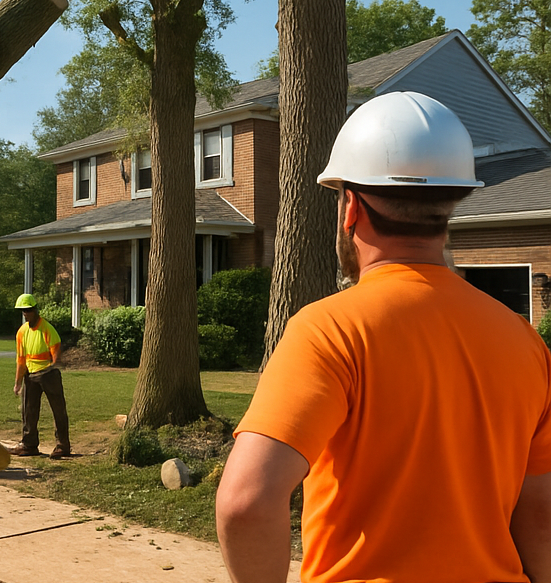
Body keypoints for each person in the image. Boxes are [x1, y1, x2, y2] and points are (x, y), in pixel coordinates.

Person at [215, 91, 551, 582]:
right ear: (450, 205)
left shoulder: (330, 331)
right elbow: (540, 512)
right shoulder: (524, 341)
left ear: (350, 206)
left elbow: (246, 502)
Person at [9, 293, 70, 460]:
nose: (26, 314)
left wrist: (52, 368)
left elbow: (56, 354)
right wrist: (18, 383)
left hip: (48, 374)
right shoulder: (21, 332)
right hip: (30, 375)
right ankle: (29, 445)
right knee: (28, 411)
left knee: (58, 410)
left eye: (28, 310)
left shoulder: (47, 329)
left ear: (35, 309)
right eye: (23, 311)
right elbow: (20, 360)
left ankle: (63, 445)